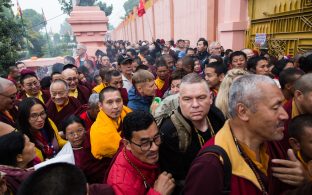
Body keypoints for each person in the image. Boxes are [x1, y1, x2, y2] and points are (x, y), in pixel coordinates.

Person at [183, 75, 305, 194]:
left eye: (282, 105)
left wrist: (302, 182)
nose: (285, 115)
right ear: (243, 111)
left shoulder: (271, 141)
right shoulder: (211, 165)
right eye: (275, 107)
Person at [159, 73, 225, 193]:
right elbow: (175, 181)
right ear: (179, 100)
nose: (195, 105)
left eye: (201, 98)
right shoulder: (170, 132)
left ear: (210, 98)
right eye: (187, 99)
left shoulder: (217, 116)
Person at [107, 111, 175, 195]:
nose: (155, 148)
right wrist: (157, 193)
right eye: (145, 143)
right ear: (127, 144)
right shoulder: (122, 185)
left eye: (156, 138)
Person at [62, 115, 110, 184]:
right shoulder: (67, 155)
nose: (76, 136)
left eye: (79, 130)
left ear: (85, 129)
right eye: (71, 133)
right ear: (65, 136)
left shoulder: (94, 137)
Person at [90, 87, 132, 160]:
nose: (116, 106)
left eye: (118, 101)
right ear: (100, 105)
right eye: (110, 102)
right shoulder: (98, 130)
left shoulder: (127, 112)